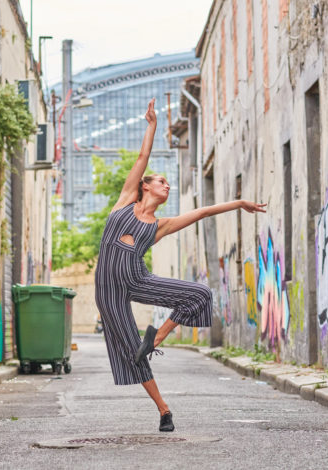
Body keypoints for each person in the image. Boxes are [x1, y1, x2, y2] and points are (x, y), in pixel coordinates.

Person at [94, 98, 266, 433]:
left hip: (137, 280)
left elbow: (201, 213)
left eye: (168, 185)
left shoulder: (161, 225)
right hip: (107, 289)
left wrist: (239, 203)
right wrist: (152, 126)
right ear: (145, 187)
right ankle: (164, 410)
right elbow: (142, 158)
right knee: (132, 352)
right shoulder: (125, 201)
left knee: (199, 295)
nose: (167, 187)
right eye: (161, 183)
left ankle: (156, 338)